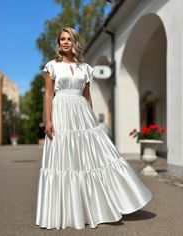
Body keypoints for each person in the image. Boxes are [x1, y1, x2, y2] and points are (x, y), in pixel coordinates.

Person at [36, 27, 152, 230]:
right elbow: (48, 95)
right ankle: (65, 212)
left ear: (74, 42)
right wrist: (48, 120)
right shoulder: (51, 66)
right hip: (61, 113)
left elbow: (88, 96)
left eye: (69, 39)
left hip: (82, 115)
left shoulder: (86, 68)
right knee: (64, 160)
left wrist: (91, 121)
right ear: (59, 43)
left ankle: (98, 207)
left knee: (92, 158)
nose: (65, 42)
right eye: (62, 39)